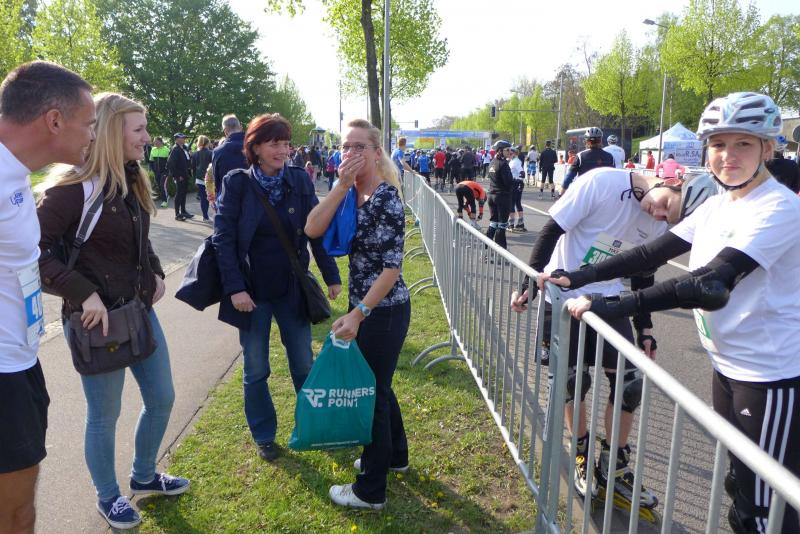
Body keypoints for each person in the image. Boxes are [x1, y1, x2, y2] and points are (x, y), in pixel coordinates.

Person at [549, 92, 799, 534]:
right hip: (727, 366)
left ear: (767, 148)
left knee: (766, 509)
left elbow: (709, 281)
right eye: (718, 144)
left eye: (743, 144)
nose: (727, 155)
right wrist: (578, 276)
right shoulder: (720, 203)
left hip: (769, 373)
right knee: (739, 486)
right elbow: (650, 253)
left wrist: (613, 304)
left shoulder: (779, 208)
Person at [510, 165, 719, 515]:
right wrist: (529, 284)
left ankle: (614, 466)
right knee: (573, 382)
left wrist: (645, 329)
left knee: (630, 383)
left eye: (668, 219)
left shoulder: (661, 224)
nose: (660, 215)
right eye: (667, 205)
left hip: (607, 299)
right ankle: (581, 452)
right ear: (672, 182)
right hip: (562, 296)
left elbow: (643, 274)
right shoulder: (601, 182)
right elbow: (551, 230)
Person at [37, 92, 189, 530]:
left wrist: (155, 271)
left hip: (138, 312)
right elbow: (34, 253)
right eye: (138, 130)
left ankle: (144, 475)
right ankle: (108, 496)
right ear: (109, 133)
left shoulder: (131, 178)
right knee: (104, 416)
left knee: (162, 397)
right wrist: (84, 294)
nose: (148, 138)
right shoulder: (71, 190)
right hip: (95, 322)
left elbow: (140, 239)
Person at [212, 113, 341, 464]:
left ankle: (314, 425)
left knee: (303, 363)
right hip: (250, 292)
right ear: (254, 147)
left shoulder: (298, 179)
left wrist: (330, 275)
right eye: (274, 143)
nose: (283, 150)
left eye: (286, 143)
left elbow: (315, 229)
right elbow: (223, 239)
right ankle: (264, 435)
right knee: (256, 369)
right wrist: (235, 288)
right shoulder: (237, 183)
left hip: (290, 287)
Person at [0, 60, 95, 534]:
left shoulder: (17, 174)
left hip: (22, 358)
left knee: (20, 510)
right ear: (55, 120)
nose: (93, 135)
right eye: (89, 123)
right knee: (14, 515)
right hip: (3, 373)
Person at [304, 118, 410, 511]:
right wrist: (340, 186)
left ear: (376, 153)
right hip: (365, 306)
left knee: (373, 394)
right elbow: (312, 229)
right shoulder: (351, 192)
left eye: (359, 146)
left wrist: (359, 314)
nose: (350, 153)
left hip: (384, 309)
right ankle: (395, 456)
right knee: (380, 385)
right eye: (345, 146)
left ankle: (370, 490)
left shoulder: (386, 198)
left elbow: (391, 268)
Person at [485, 140, 514, 249]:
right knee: (502, 225)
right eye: (507, 150)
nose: (510, 152)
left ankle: (485, 250)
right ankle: (501, 252)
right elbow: (508, 182)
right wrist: (517, 182)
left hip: (491, 195)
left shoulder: (492, 162)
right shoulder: (503, 164)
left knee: (493, 223)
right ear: (500, 151)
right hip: (502, 197)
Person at [212, 114, 247, 199]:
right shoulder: (255, 146)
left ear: (225, 131)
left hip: (228, 198)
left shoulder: (218, 151)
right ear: (241, 127)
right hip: (253, 199)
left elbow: (216, 181)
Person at [167, 133, 192, 221]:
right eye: (182, 138)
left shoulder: (183, 148)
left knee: (183, 193)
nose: (184, 139)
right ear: (177, 139)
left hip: (185, 174)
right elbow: (170, 164)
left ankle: (183, 211)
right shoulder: (175, 149)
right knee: (179, 194)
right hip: (180, 176)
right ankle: (177, 214)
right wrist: (177, 175)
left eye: (184, 137)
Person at [191, 135, 213, 222]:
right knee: (210, 198)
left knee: (203, 198)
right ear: (207, 143)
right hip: (210, 178)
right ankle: (207, 216)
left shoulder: (195, 154)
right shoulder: (211, 153)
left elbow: (193, 168)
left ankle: (205, 216)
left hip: (199, 178)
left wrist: (194, 179)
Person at [508, 147, 527, 232]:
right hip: (516, 183)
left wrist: (519, 180)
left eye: (510, 153)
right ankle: (520, 223)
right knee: (517, 203)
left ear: (515, 154)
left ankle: (511, 224)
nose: (509, 154)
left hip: (515, 183)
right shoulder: (513, 161)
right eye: (509, 153)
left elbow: (522, 173)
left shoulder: (516, 162)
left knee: (512, 203)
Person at [148, 137, 170, 208]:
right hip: (156, 172)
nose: (155, 143)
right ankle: (166, 195)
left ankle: (165, 201)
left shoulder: (167, 150)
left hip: (164, 172)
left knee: (162, 185)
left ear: (161, 142)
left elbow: (170, 161)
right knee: (159, 185)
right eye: (154, 142)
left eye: (156, 142)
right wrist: (152, 169)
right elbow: (151, 161)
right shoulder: (153, 149)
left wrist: (168, 170)